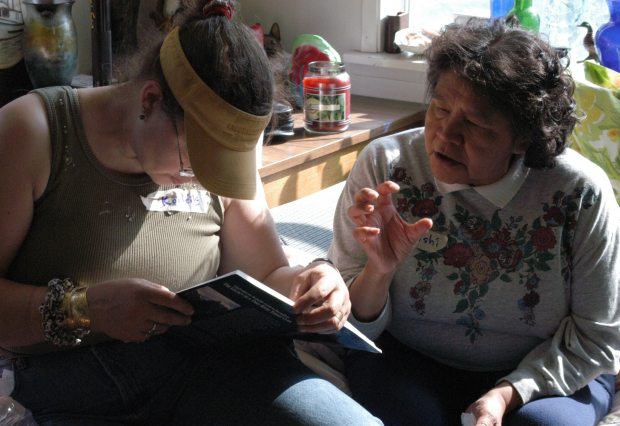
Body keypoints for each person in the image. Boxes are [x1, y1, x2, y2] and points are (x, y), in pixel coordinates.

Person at [0, 1, 382, 424]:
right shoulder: (33, 133)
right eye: (193, 163)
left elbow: (268, 277)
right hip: (79, 384)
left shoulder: (209, 164)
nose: (201, 179)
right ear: (150, 99)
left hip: (212, 365)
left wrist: (317, 281)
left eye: (222, 168)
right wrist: (84, 308)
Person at [328, 19, 619, 426]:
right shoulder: (386, 165)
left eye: (477, 125)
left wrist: (508, 393)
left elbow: (599, 337)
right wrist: (378, 271)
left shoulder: (580, 193)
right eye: (440, 109)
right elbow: (349, 327)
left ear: (522, 138)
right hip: (412, 358)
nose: (445, 135)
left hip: (549, 369)